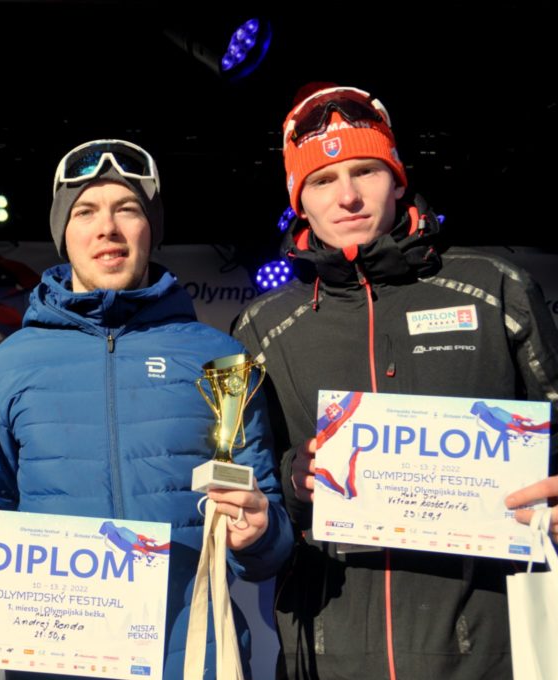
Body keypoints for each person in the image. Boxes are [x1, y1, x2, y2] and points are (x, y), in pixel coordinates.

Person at [0, 139, 293, 679]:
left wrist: (260, 532)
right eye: (86, 212)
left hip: (192, 659)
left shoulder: (222, 363)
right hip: (53, 663)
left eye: (128, 209)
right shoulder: (9, 365)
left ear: (151, 229)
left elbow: (267, 540)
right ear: (63, 234)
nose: (107, 229)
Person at [232, 84, 558, 679]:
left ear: (399, 179)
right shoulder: (265, 326)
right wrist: (293, 478)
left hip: (489, 652)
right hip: (328, 653)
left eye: (365, 171)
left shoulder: (494, 288)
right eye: (323, 180)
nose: (348, 196)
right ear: (299, 200)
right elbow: (253, 484)